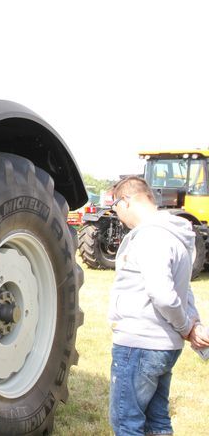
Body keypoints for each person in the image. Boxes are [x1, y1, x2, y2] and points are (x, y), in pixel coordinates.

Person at [107, 176, 209, 435]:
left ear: (127, 201)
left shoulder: (151, 237)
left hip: (139, 345)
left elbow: (162, 294)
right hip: (163, 346)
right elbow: (183, 290)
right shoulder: (175, 235)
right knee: (157, 422)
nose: (118, 216)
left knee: (126, 423)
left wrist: (187, 326)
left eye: (116, 206)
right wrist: (191, 325)